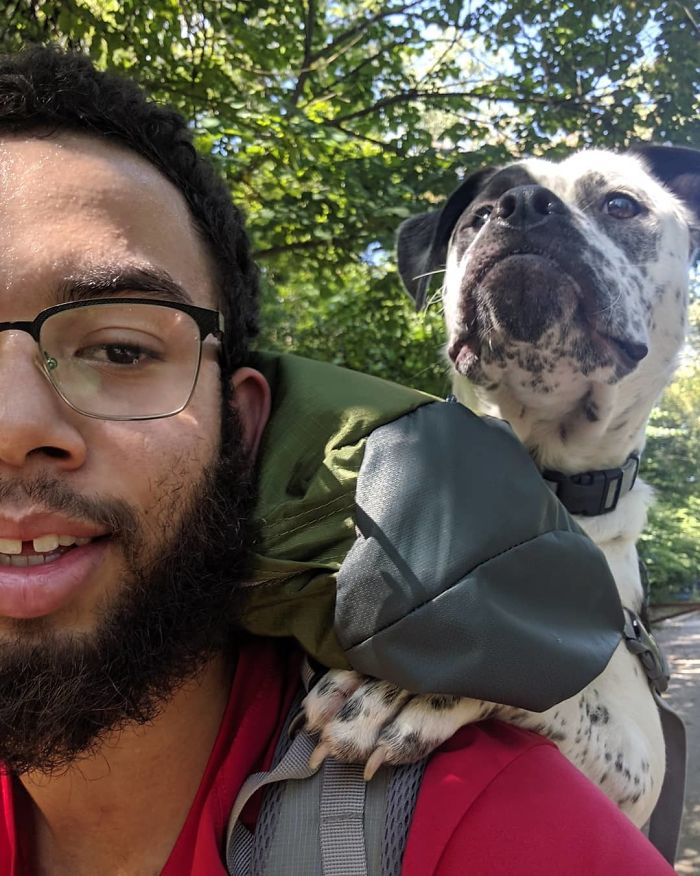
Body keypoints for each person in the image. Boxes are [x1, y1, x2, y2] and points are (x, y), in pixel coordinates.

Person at [0, 46, 673, 875]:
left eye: (120, 348)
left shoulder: (488, 824)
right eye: (482, 218)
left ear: (242, 420)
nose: (13, 426)